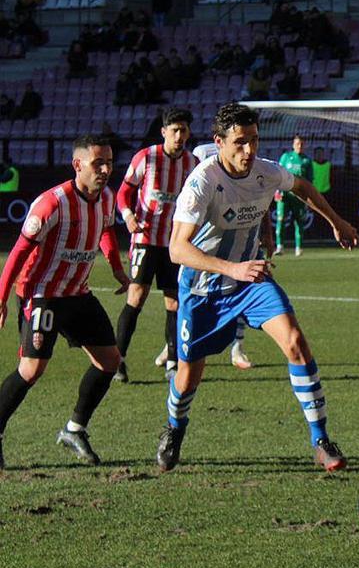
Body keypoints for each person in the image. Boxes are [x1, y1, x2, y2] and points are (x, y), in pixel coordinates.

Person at [155, 103, 359, 473]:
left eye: (254, 141)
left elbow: (302, 188)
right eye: (239, 143)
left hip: (251, 284)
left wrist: (337, 221)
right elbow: (177, 249)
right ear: (219, 142)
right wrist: (233, 267)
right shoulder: (202, 182)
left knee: (295, 341)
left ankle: (321, 440)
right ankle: (174, 428)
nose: (249, 151)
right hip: (203, 291)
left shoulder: (265, 172)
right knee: (187, 377)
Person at [0, 135, 131, 469]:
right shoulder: (51, 203)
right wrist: (1, 300)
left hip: (78, 293)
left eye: (109, 162)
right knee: (31, 369)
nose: (105, 170)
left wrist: (117, 269)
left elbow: (104, 230)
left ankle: (75, 429)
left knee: (110, 361)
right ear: (78, 165)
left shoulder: (106, 198)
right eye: (97, 163)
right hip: (42, 293)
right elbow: (18, 253)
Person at [112, 107, 198, 384]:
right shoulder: (146, 157)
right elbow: (124, 192)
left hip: (174, 244)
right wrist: (128, 216)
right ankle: (118, 361)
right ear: (164, 132)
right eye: (174, 130)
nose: (179, 135)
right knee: (136, 296)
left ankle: (173, 361)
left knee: (173, 302)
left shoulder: (192, 163)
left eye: (183, 130)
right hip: (145, 239)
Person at [192, 138, 252, 370]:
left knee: (240, 293)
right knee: (187, 301)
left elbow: (257, 203)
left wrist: (265, 233)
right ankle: (173, 346)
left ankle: (237, 347)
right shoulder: (201, 159)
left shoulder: (246, 163)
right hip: (205, 247)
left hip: (239, 245)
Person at [277, 135, 314, 257]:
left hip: (299, 197)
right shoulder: (286, 157)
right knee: (281, 219)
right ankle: (280, 247)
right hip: (285, 195)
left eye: (302, 144)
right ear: (293, 144)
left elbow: (309, 182)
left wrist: (308, 198)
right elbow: (278, 175)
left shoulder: (307, 161)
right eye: (297, 144)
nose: (300, 146)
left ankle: (299, 248)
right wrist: (277, 191)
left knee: (299, 222)